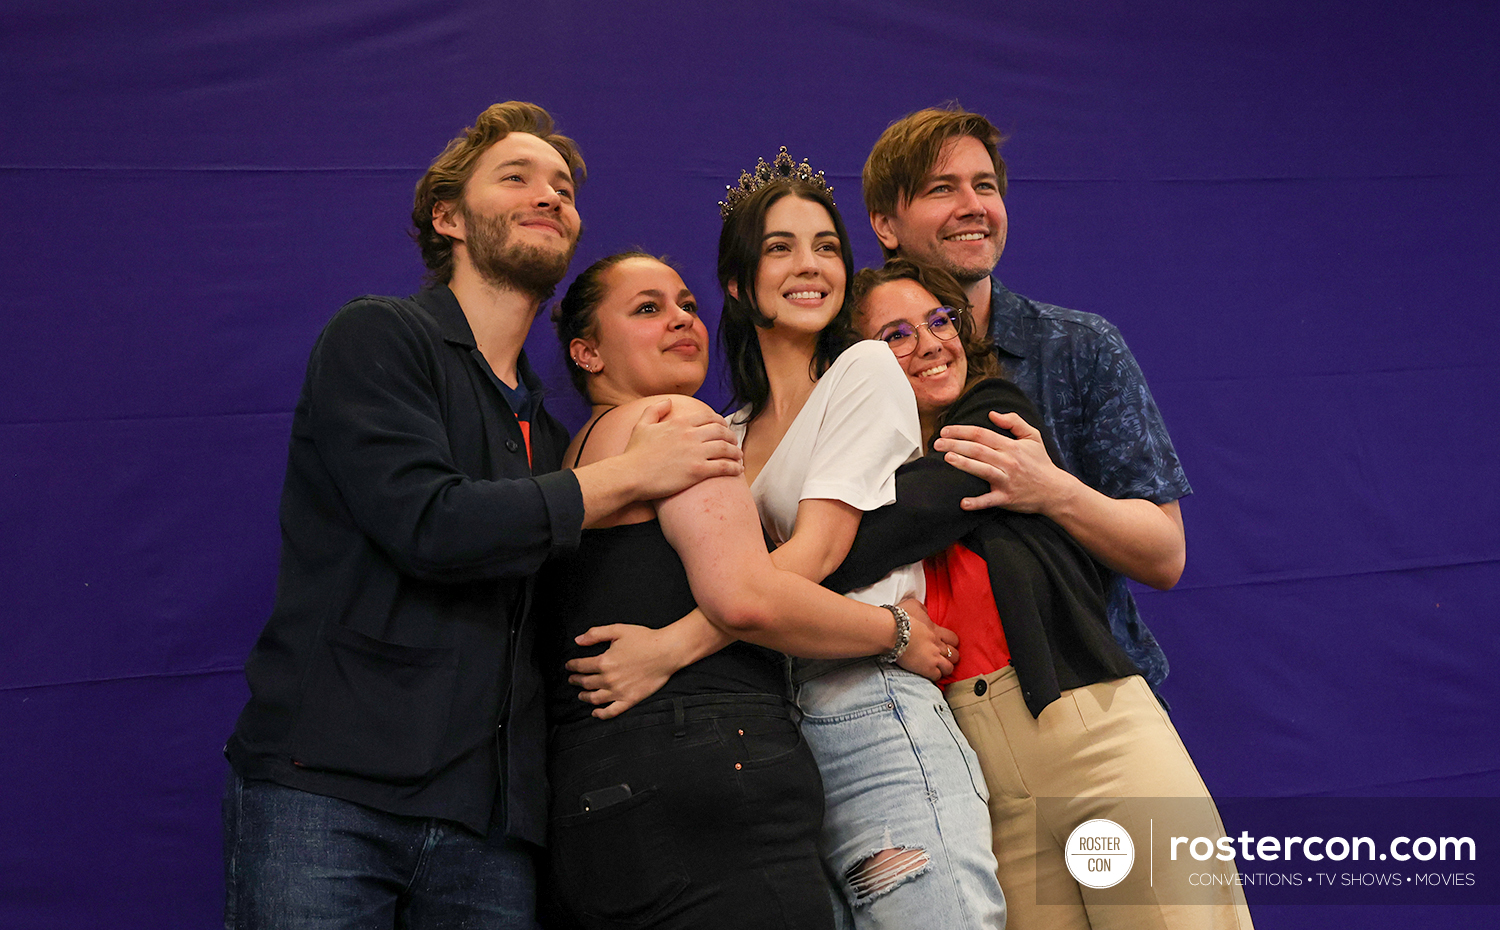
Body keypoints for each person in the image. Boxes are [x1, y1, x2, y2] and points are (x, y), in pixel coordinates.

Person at [220, 102, 746, 930]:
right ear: (448, 217)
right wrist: (631, 475)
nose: (549, 196)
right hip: (329, 795)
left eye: (564, 188)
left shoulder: (556, 438)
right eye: (517, 177)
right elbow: (431, 525)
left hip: (494, 832)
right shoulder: (378, 339)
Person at [828, 257, 1253, 930]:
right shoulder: (849, 464)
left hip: (1088, 724)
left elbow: (897, 525)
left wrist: (795, 559)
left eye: (940, 320)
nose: (932, 342)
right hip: (976, 773)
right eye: (897, 334)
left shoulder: (996, 413)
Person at [536, 251, 956, 930]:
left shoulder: (580, 451)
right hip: (704, 773)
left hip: (592, 798)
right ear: (587, 352)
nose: (680, 319)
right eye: (648, 309)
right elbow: (748, 600)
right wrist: (895, 632)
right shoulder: (677, 422)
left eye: (687, 305)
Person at [716, 149, 1005, 928]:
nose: (810, 265)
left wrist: (665, 651)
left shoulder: (868, 369)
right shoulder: (727, 432)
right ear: (741, 284)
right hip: (776, 725)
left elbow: (812, 559)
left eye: (827, 246)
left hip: (868, 708)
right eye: (780, 247)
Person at [863, 106, 1191, 691]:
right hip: (930, 711)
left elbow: (1164, 555)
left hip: (1091, 694)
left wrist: (1052, 491)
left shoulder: (1079, 346)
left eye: (984, 185)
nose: (973, 205)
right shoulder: (847, 364)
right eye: (943, 188)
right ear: (885, 225)